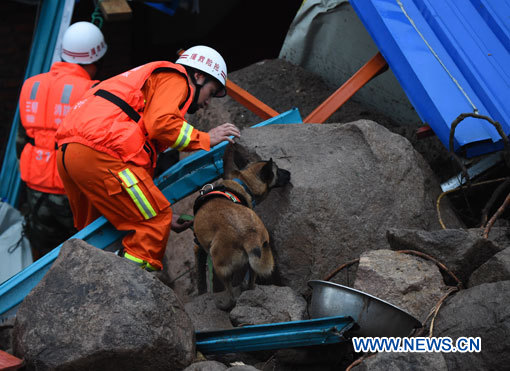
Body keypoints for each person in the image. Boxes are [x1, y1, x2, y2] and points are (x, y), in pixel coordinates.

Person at [55, 45, 241, 272]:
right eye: (211, 92)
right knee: (154, 223)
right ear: (198, 76)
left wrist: (153, 204)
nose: (207, 102)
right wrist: (205, 138)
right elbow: (161, 125)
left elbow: (134, 152)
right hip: (101, 154)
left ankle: (86, 284)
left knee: (97, 233)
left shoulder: (146, 84)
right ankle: (126, 293)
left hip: (71, 154)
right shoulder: (177, 78)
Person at [17, 21, 108, 259]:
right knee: (80, 255)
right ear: (96, 58)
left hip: (35, 186)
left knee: (43, 258)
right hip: (71, 191)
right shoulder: (93, 91)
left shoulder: (31, 85)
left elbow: (21, 140)